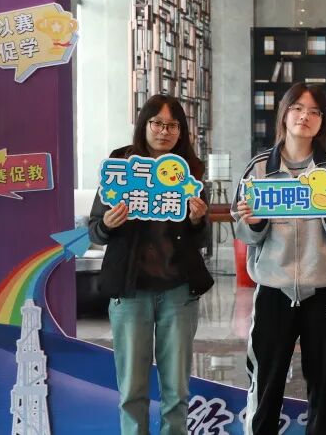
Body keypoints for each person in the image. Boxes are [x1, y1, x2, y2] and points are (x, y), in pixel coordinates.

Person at [234, 83, 326, 435]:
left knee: (325, 384)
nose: (305, 116)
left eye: (314, 111)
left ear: (322, 121)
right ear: (284, 113)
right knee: (266, 382)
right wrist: (254, 223)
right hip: (273, 289)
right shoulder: (259, 169)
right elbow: (242, 231)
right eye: (297, 108)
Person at [88, 94, 213, 435]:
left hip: (178, 291)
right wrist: (107, 224)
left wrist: (198, 220)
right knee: (131, 389)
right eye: (157, 123)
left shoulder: (190, 171)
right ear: (144, 125)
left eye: (173, 125)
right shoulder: (120, 165)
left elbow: (203, 240)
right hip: (131, 292)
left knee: (177, 389)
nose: (164, 131)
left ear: (181, 131)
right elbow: (95, 230)